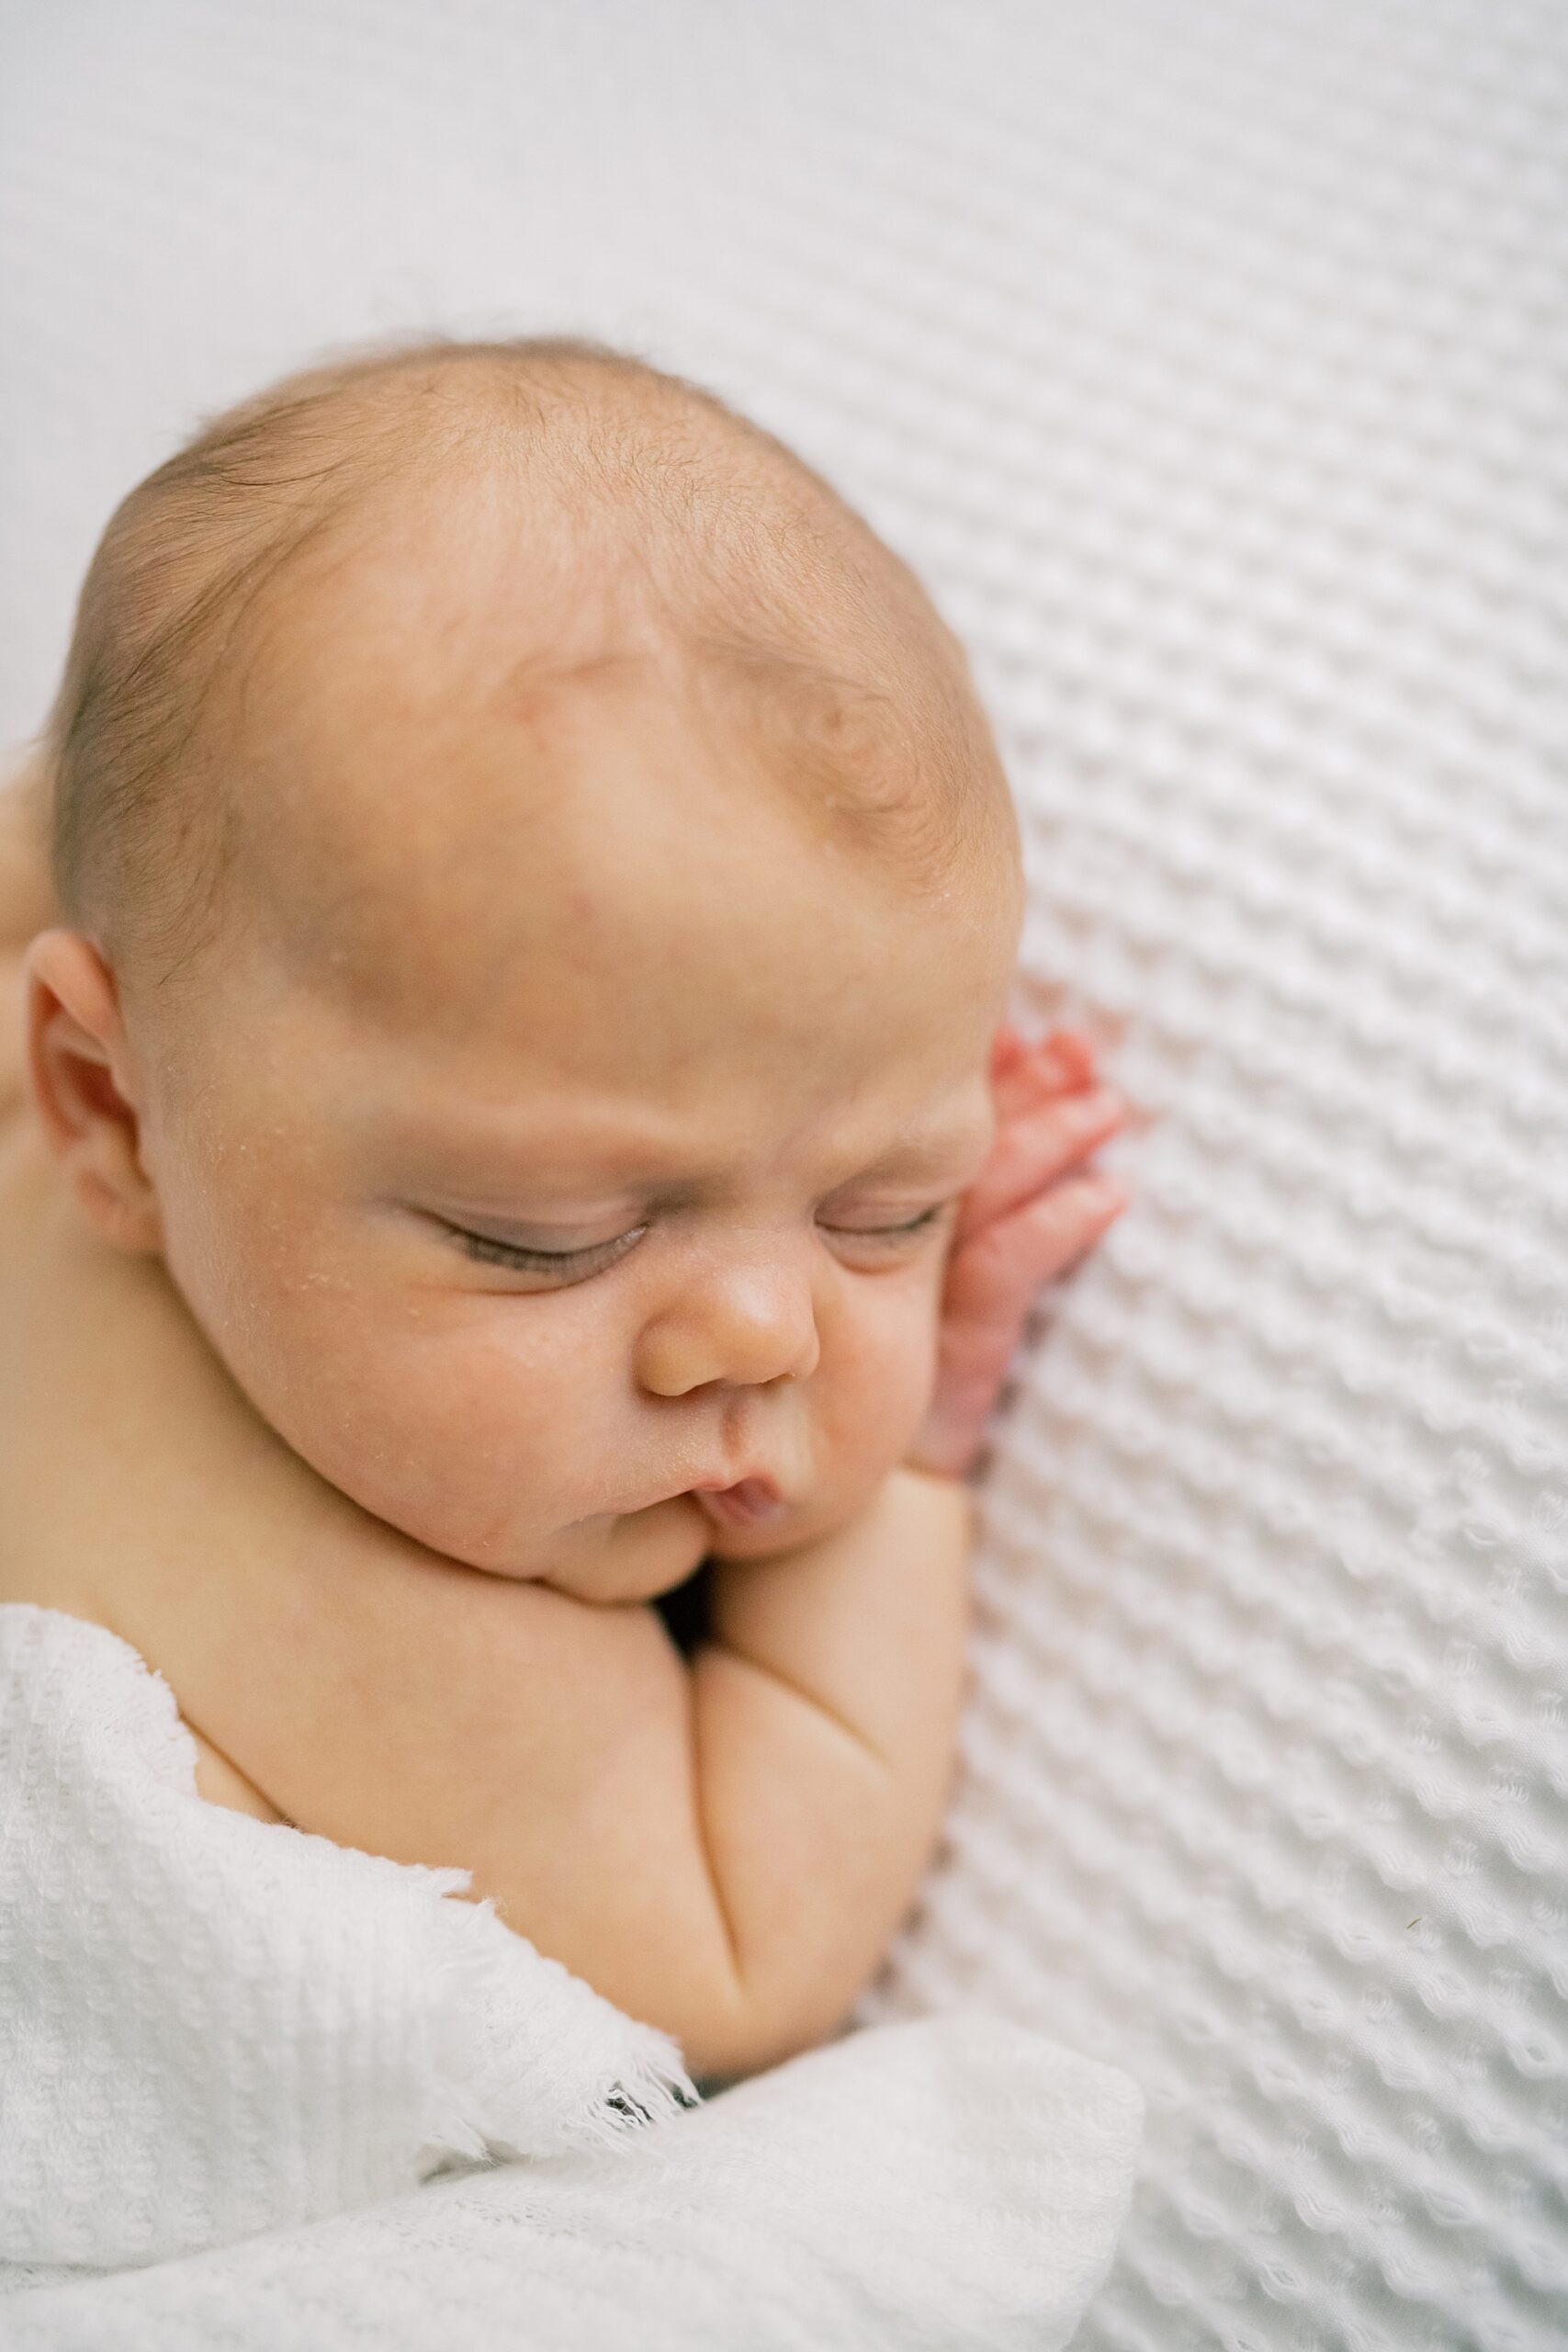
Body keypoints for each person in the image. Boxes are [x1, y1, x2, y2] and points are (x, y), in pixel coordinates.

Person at [0, 337, 1132, 2079]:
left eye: (890, 1211)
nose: (762, 1331)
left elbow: (68, 822)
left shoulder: (120, 1059)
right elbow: (746, 1964)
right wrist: (908, 1479)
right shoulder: (385, 1625)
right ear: (107, 1101)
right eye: (552, 1238)